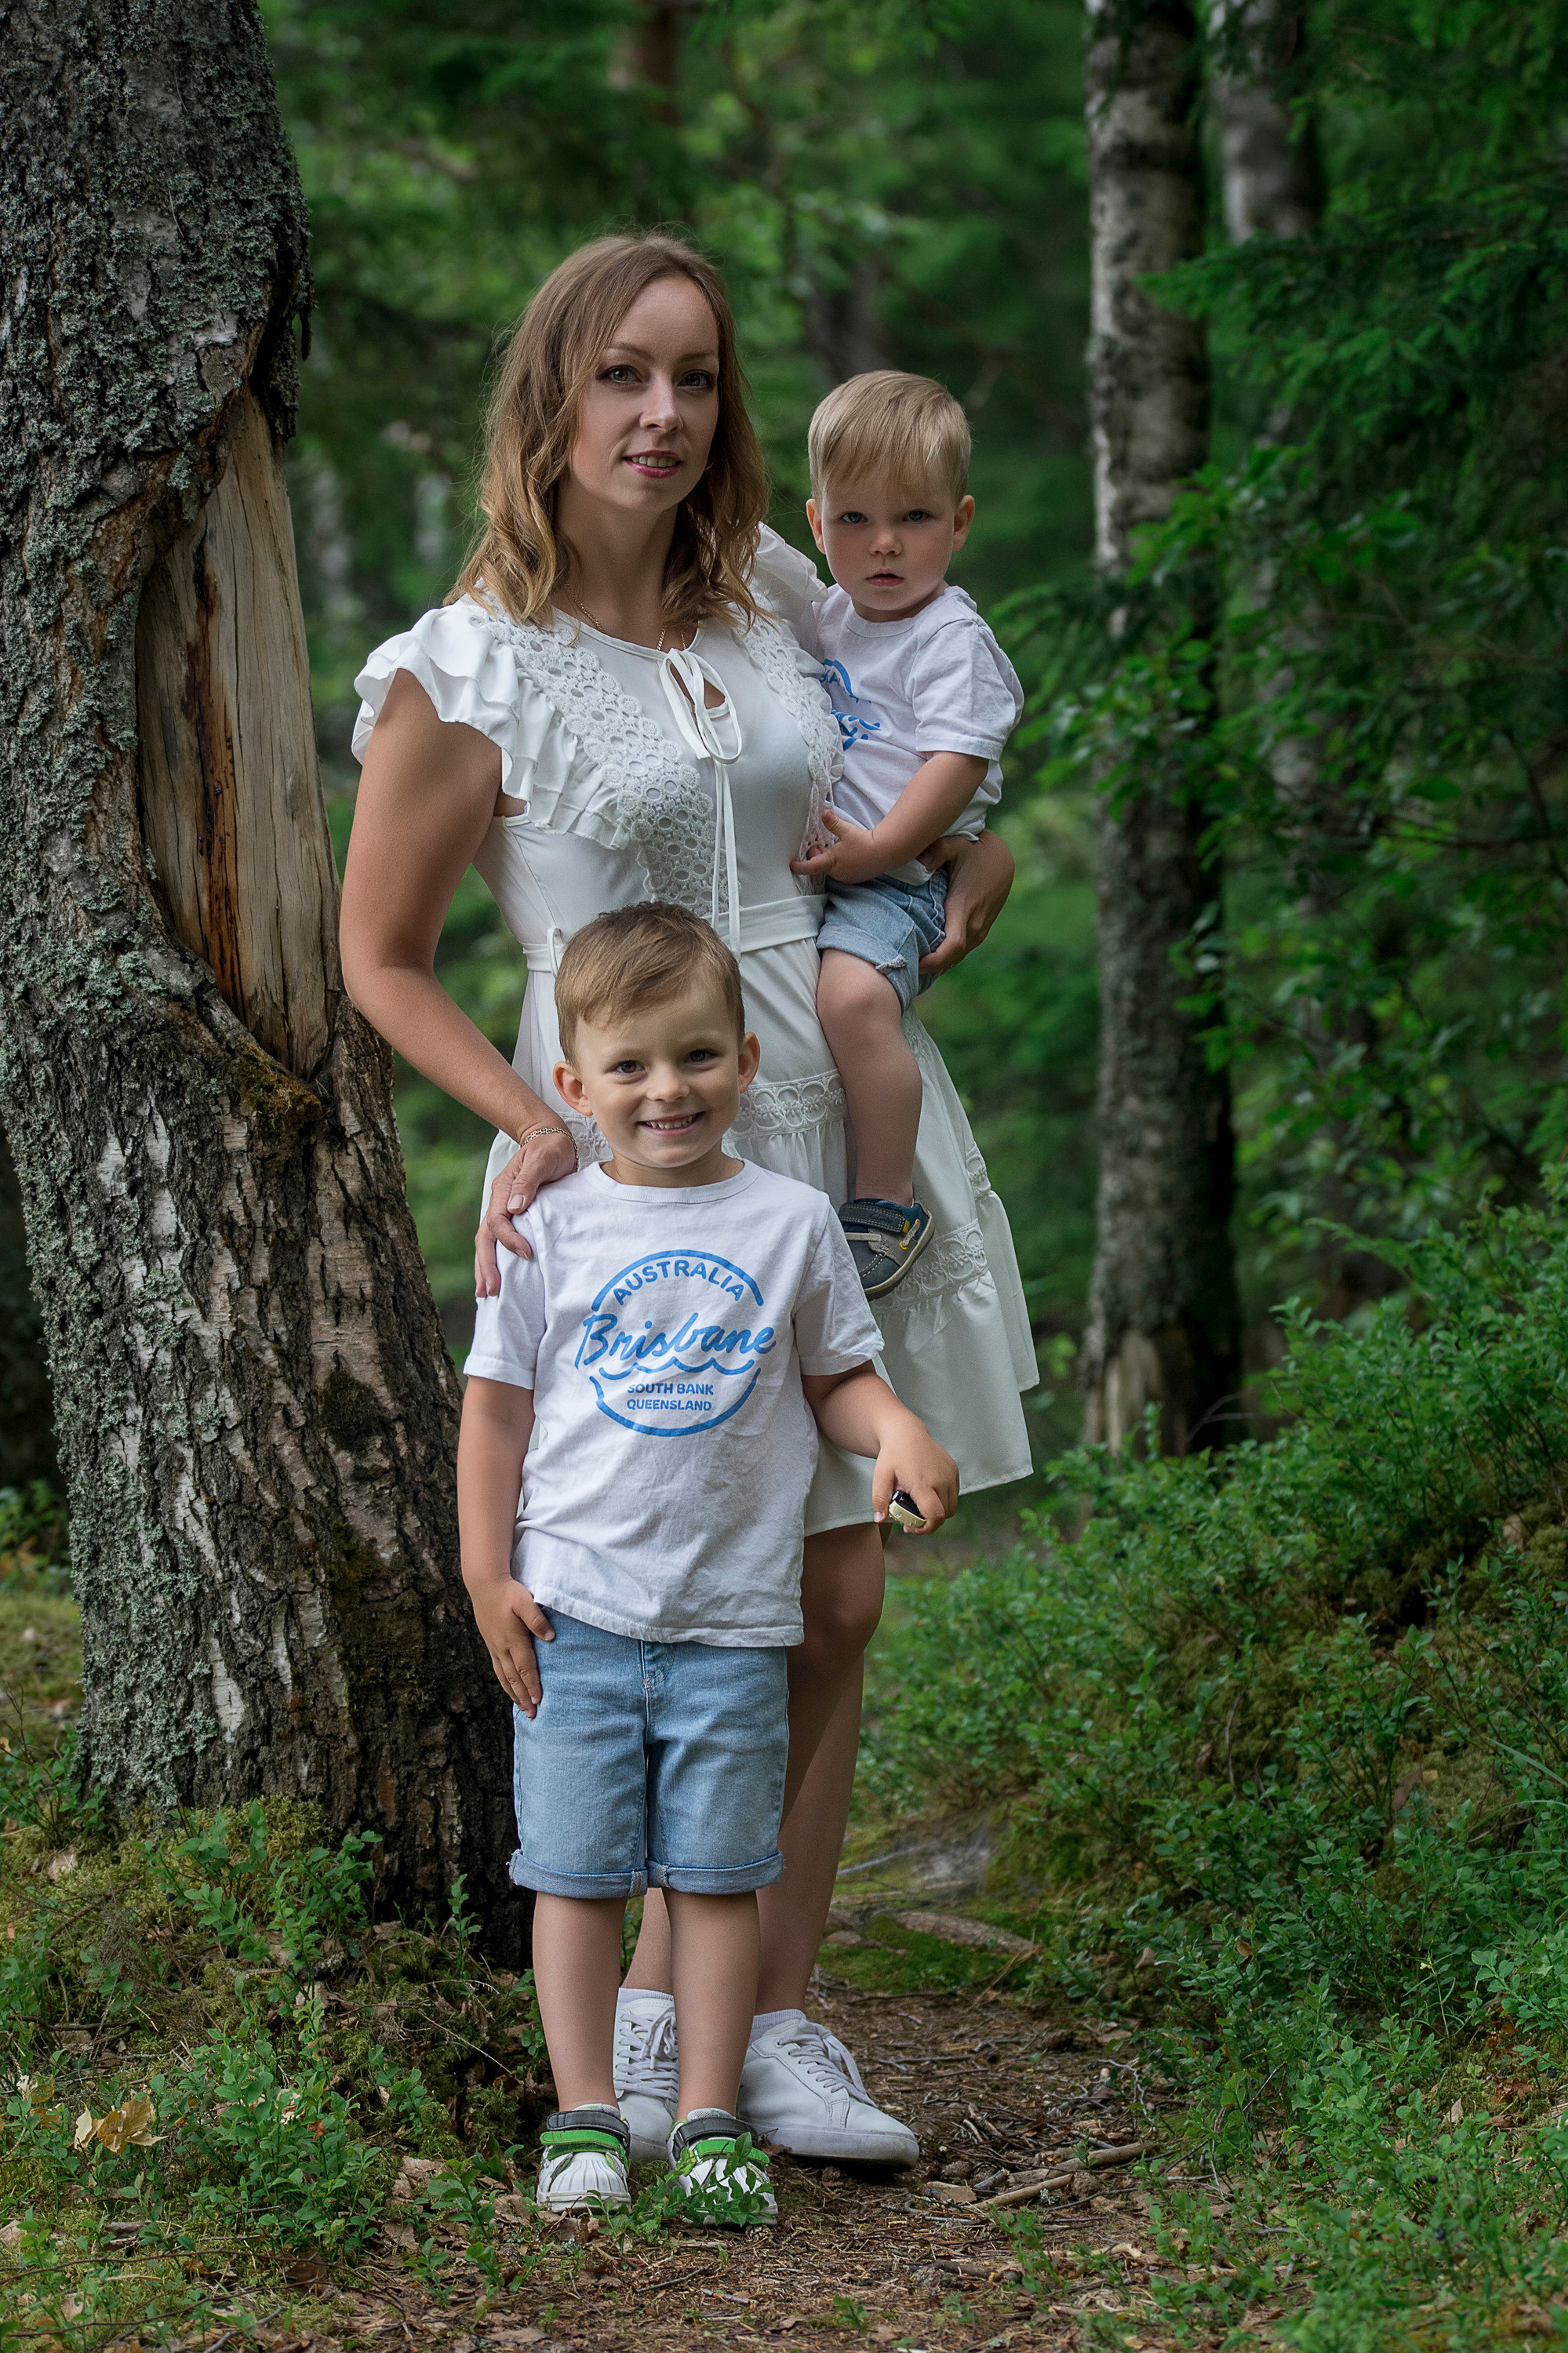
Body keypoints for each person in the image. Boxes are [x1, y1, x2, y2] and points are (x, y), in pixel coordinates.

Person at [340, 230, 1035, 2168]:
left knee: (828, 1596)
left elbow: (912, 739)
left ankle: (768, 2015)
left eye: (698, 379)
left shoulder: (765, 607)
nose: (663, 414)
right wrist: (528, 1121)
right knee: (647, 1588)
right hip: (622, 1169)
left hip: (824, 1131)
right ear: (549, 397)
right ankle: (639, 2024)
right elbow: (377, 952)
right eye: (623, 375)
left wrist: (963, 869)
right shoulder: (469, 661)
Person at [458, 904, 957, 2216]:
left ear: (744, 1060)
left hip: (737, 1617)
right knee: (571, 1878)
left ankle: (708, 2120)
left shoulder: (787, 1221)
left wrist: (895, 1425)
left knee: (720, 1879)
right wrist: (482, 1573)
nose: (663, 1090)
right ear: (570, 1086)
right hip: (575, 1612)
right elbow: (495, 1411)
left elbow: (837, 1374)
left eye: (692, 1058)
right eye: (627, 1067)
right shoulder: (544, 1229)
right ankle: (580, 2120)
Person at [791, 373, 1025, 1299]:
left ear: (960, 522)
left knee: (852, 1003)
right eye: (854, 521)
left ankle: (887, 1202)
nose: (883, 544)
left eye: (914, 518)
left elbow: (954, 767)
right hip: (847, 868)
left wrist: (881, 850)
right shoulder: (828, 616)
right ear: (816, 524)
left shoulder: (949, 637)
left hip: (902, 877)